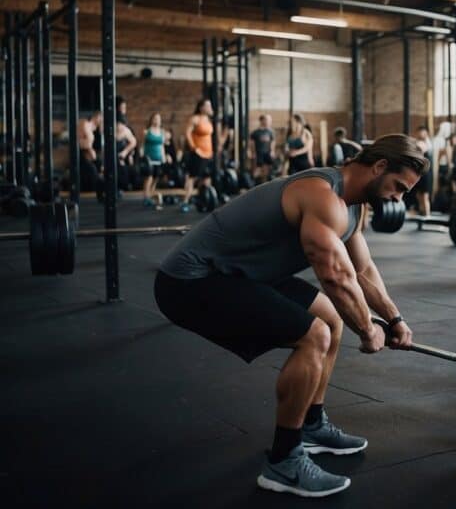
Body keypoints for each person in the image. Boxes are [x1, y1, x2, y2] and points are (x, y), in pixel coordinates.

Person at [154, 134, 426, 498]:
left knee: (330, 318)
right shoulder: (321, 194)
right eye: (398, 187)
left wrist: (394, 320)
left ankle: (311, 424)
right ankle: (283, 462)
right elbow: (334, 275)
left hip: (242, 273)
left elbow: (361, 271)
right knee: (314, 335)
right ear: (378, 168)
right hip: (190, 280)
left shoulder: (354, 205)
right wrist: (366, 330)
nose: (399, 198)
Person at [182, 99, 216, 213]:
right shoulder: (195, 119)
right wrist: (194, 148)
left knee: (206, 178)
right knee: (192, 177)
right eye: (207, 105)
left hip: (209, 153)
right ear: (201, 107)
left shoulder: (208, 119)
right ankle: (185, 201)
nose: (209, 107)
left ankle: (203, 200)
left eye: (210, 105)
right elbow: (187, 133)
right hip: (198, 153)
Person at [141, 113, 166, 209]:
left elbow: (162, 146)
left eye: (159, 119)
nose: (157, 120)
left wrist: (163, 157)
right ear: (151, 119)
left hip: (158, 158)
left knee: (155, 177)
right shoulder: (146, 132)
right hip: (149, 158)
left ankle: (150, 195)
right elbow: (142, 145)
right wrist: (142, 156)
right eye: (155, 118)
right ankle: (146, 197)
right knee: (149, 177)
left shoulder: (162, 132)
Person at [77, 111, 103, 192]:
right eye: (100, 118)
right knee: (92, 169)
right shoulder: (85, 124)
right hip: (82, 152)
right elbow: (83, 142)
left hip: (89, 153)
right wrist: (90, 150)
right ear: (96, 117)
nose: (101, 120)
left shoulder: (94, 127)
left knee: (99, 165)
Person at [411, 125, 433, 216]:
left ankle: (427, 215)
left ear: (426, 133)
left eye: (422, 132)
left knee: (424, 196)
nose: (420, 134)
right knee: (419, 195)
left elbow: (420, 150)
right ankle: (422, 213)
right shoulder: (419, 142)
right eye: (419, 132)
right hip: (420, 172)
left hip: (426, 173)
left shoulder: (426, 143)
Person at [115, 113, 137, 193]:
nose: (120, 126)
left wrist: (125, 152)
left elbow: (134, 142)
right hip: (114, 154)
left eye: (122, 124)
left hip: (123, 154)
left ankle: (124, 187)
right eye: (118, 124)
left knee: (122, 167)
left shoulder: (126, 131)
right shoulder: (111, 130)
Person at [250, 114, 276, 182]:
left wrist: (272, 151)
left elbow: (272, 142)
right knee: (257, 169)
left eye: (270, 121)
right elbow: (252, 143)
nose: (269, 122)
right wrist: (253, 153)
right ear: (263, 121)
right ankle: (253, 183)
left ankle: (264, 183)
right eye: (268, 120)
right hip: (259, 154)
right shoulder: (255, 132)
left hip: (267, 153)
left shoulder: (270, 132)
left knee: (266, 169)